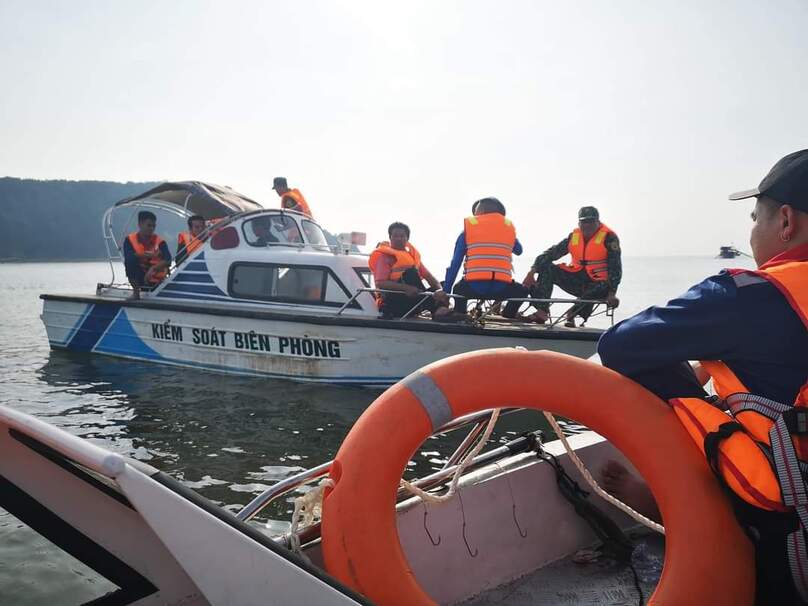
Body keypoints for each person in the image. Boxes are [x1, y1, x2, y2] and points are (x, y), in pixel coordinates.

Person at [597, 149, 808, 605]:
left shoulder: (745, 297)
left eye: (756, 218)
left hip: (792, 549)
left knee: (714, 419)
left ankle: (684, 499)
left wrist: (702, 380)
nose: (752, 233)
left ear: (786, 222)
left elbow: (617, 346)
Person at [523, 206, 621, 326]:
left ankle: (573, 313)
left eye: (591, 221)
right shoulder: (574, 236)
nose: (587, 225)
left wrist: (612, 293)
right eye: (584, 222)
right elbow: (550, 254)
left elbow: (615, 266)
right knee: (547, 267)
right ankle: (542, 311)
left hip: (598, 283)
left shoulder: (609, 238)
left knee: (601, 287)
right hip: (577, 280)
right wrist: (532, 272)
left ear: (598, 221)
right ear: (579, 223)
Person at [444, 197, 529, 318]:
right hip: (503, 289)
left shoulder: (467, 231)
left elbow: (455, 264)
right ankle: (509, 314)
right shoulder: (508, 230)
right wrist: (510, 235)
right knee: (522, 291)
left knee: (458, 288)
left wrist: (446, 292)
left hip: (472, 288)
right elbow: (519, 251)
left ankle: (460, 313)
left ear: (481, 211)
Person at [369, 222, 452, 320]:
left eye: (402, 236)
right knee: (411, 273)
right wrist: (405, 288)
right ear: (390, 238)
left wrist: (439, 290)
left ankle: (440, 310)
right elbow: (380, 283)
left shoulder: (412, 256)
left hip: (413, 298)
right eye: (395, 236)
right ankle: (438, 310)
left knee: (443, 285)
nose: (398, 239)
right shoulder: (384, 257)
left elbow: (429, 277)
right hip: (393, 302)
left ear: (407, 238)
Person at [123, 210, 171, 300]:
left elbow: (168, 259)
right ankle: (136, 293)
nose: (151, 228)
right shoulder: (129, 240)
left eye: (153, 226)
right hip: (140, 276)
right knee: (130, 261)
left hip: (157, 278)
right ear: (140, 224)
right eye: (149, 225)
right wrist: (149, 256)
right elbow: (129, 257)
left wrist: (153, 268)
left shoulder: (160, 242)